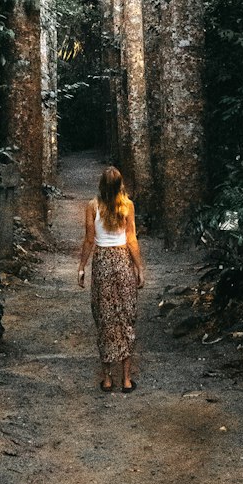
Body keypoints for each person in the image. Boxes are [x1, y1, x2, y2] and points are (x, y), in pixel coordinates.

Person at [76, 164, 144, 392]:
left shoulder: (92, 206)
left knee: (105, 319)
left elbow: (89, 240)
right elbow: (132, 239)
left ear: (101, 185)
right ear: (120, 185)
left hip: (103, 263)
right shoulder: (128, 206)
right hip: (123, 261)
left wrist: (82, 267)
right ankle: (126, 379)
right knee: (125, 316)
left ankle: (107, 379)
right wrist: (139, 268)